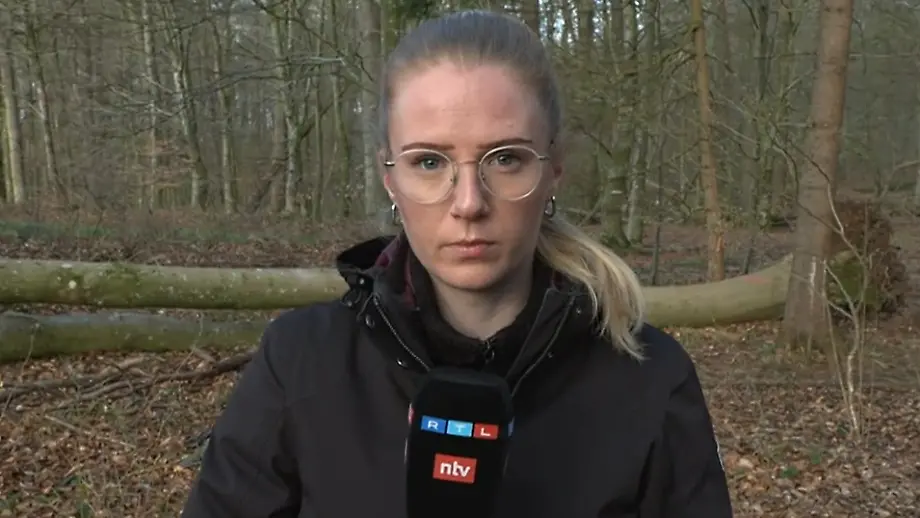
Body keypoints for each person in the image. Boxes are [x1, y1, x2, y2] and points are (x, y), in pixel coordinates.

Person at [180, 9, 733, 518]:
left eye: (506, 158)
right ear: (389, 176)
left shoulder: (650, 380)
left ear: (555, 168)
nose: (469, 203)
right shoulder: (302, 362)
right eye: (428, 162)